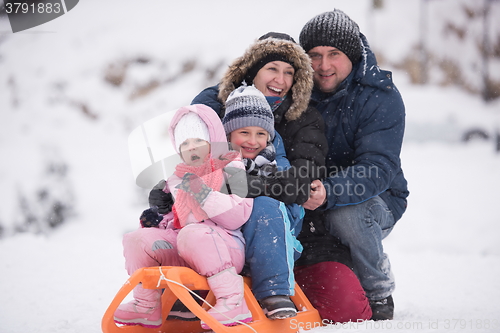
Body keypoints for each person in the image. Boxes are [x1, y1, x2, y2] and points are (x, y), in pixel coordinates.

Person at [190, 32, 372, 323]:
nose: (281, 80)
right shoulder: (217, 106)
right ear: (252, 72)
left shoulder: (304, 118)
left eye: (289, 72)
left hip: (293, 230)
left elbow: (300, 182)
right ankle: (174, 296)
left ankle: (274, 291)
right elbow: (189, 159)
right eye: (272, 69)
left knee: (347, 307)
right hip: (219, 219)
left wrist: (235, 187)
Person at [298, 9, 410, 321]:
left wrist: (328, 192)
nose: (324, 65)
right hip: (310, 194)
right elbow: (239, 91)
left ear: (351, 54)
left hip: (378, 199)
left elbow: (378, 168)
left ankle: (377, 291)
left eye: (334, 54)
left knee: (346, 215)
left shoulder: (379, 96)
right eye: (315, 55)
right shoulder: (296, 88)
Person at [114, 104, 254, 330]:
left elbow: (238, 215)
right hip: (183, 246)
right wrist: (156, 219)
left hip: (226, 247)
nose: (192, 148)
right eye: (185, 143)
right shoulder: (176, 179)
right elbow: (175, 221)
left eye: (198, 140)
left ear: (213, 140)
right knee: (136, 239)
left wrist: (204, 195)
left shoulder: (233, 169)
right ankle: (146, 305)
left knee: (193, 234)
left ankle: (232, 301)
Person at [221, 84, 305, 319]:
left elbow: (294, 192)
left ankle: (274, 292)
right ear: (229, 134)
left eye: (260, 134)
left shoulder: (276, 164)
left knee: (265, 205)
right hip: (227, 241)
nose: (253, 141)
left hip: (275, 240)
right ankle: (189, 292)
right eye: (244, 133)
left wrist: (262, 187)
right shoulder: (217, 161)